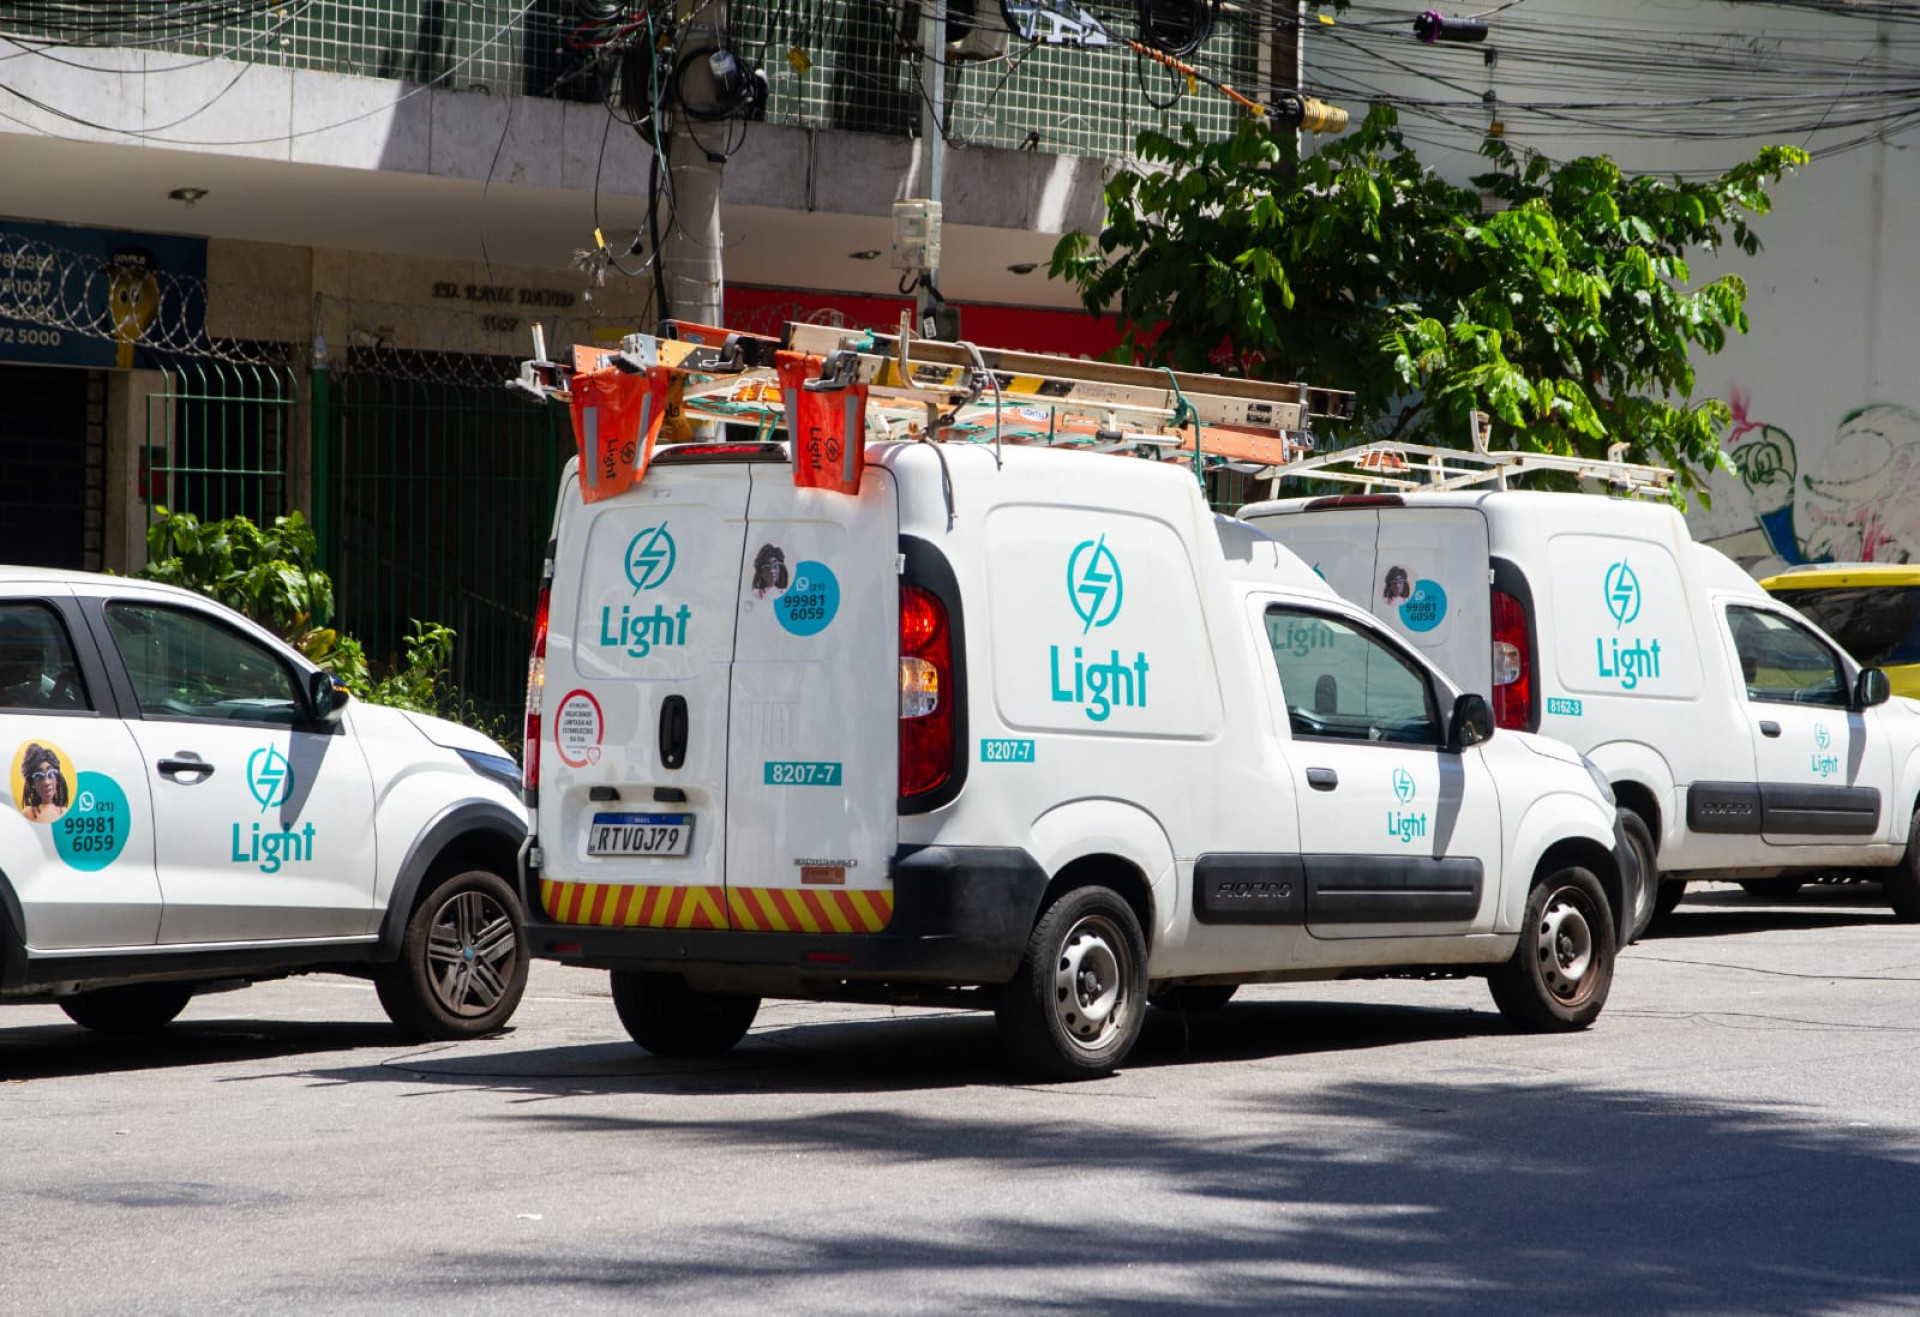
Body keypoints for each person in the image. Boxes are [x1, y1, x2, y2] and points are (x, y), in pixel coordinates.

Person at [20, 743, 69, 824]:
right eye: (39, 777)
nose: (47, 782)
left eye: (51, 774)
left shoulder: (63, 812)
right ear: (32, 783)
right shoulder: (29, 812)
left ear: (56, 778)